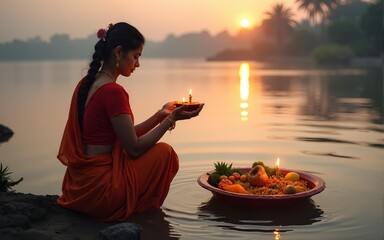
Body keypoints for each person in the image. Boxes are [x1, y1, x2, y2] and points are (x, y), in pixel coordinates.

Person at [57, 22, 204, 222]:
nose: (138, 64)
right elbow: (133, 148)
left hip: (78, 187)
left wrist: (160, 115)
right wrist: (171, 119)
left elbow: (123, 136)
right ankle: (141, 212)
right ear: (118, 52)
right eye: (136, 56)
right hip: (102, 192)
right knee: (165, 153)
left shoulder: (86, 83)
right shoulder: (113, 92)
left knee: (152, 151)